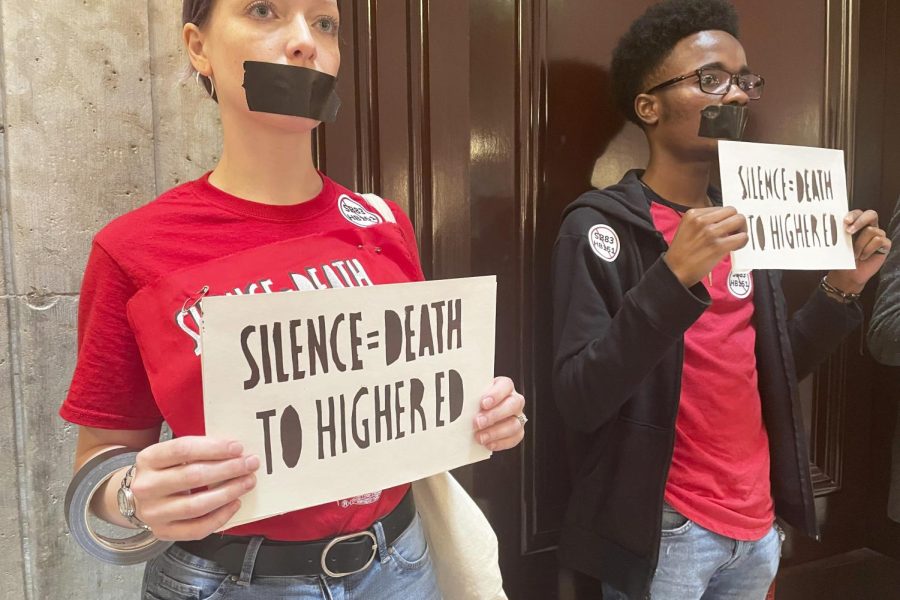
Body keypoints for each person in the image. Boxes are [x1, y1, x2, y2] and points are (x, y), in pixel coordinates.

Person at [60, 1, 526, 598]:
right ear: (198, 47)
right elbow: (96, 465)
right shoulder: (134, 248)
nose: (305, 42)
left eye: (325, 23)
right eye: (264, 11)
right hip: (231, 579)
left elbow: (394, 399)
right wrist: (132, 495)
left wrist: (479, 415)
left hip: (402, 563)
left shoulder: (384, 224)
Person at [550, 0, 890, 598]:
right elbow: (580, 397)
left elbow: (772, 371)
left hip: (757, 525)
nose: (735, 96)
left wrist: (845, 286)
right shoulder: (597, 228)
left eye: (743, 81)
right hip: (663, 532)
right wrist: (672, 277)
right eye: (710, 80)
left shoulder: (751, 219)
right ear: (648, 106)